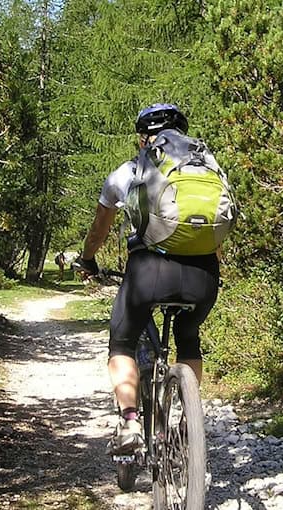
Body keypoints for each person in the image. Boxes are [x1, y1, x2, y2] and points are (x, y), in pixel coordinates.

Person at [76, 103, 221, 454]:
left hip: (149, 274)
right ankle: (189, 421)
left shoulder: (127, 172)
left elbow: (99, 229)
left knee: (122, 342)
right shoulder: (208, 168)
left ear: (143, 139)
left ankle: (129, 424)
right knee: (188, 335)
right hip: (203, 275)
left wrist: (88, 260)